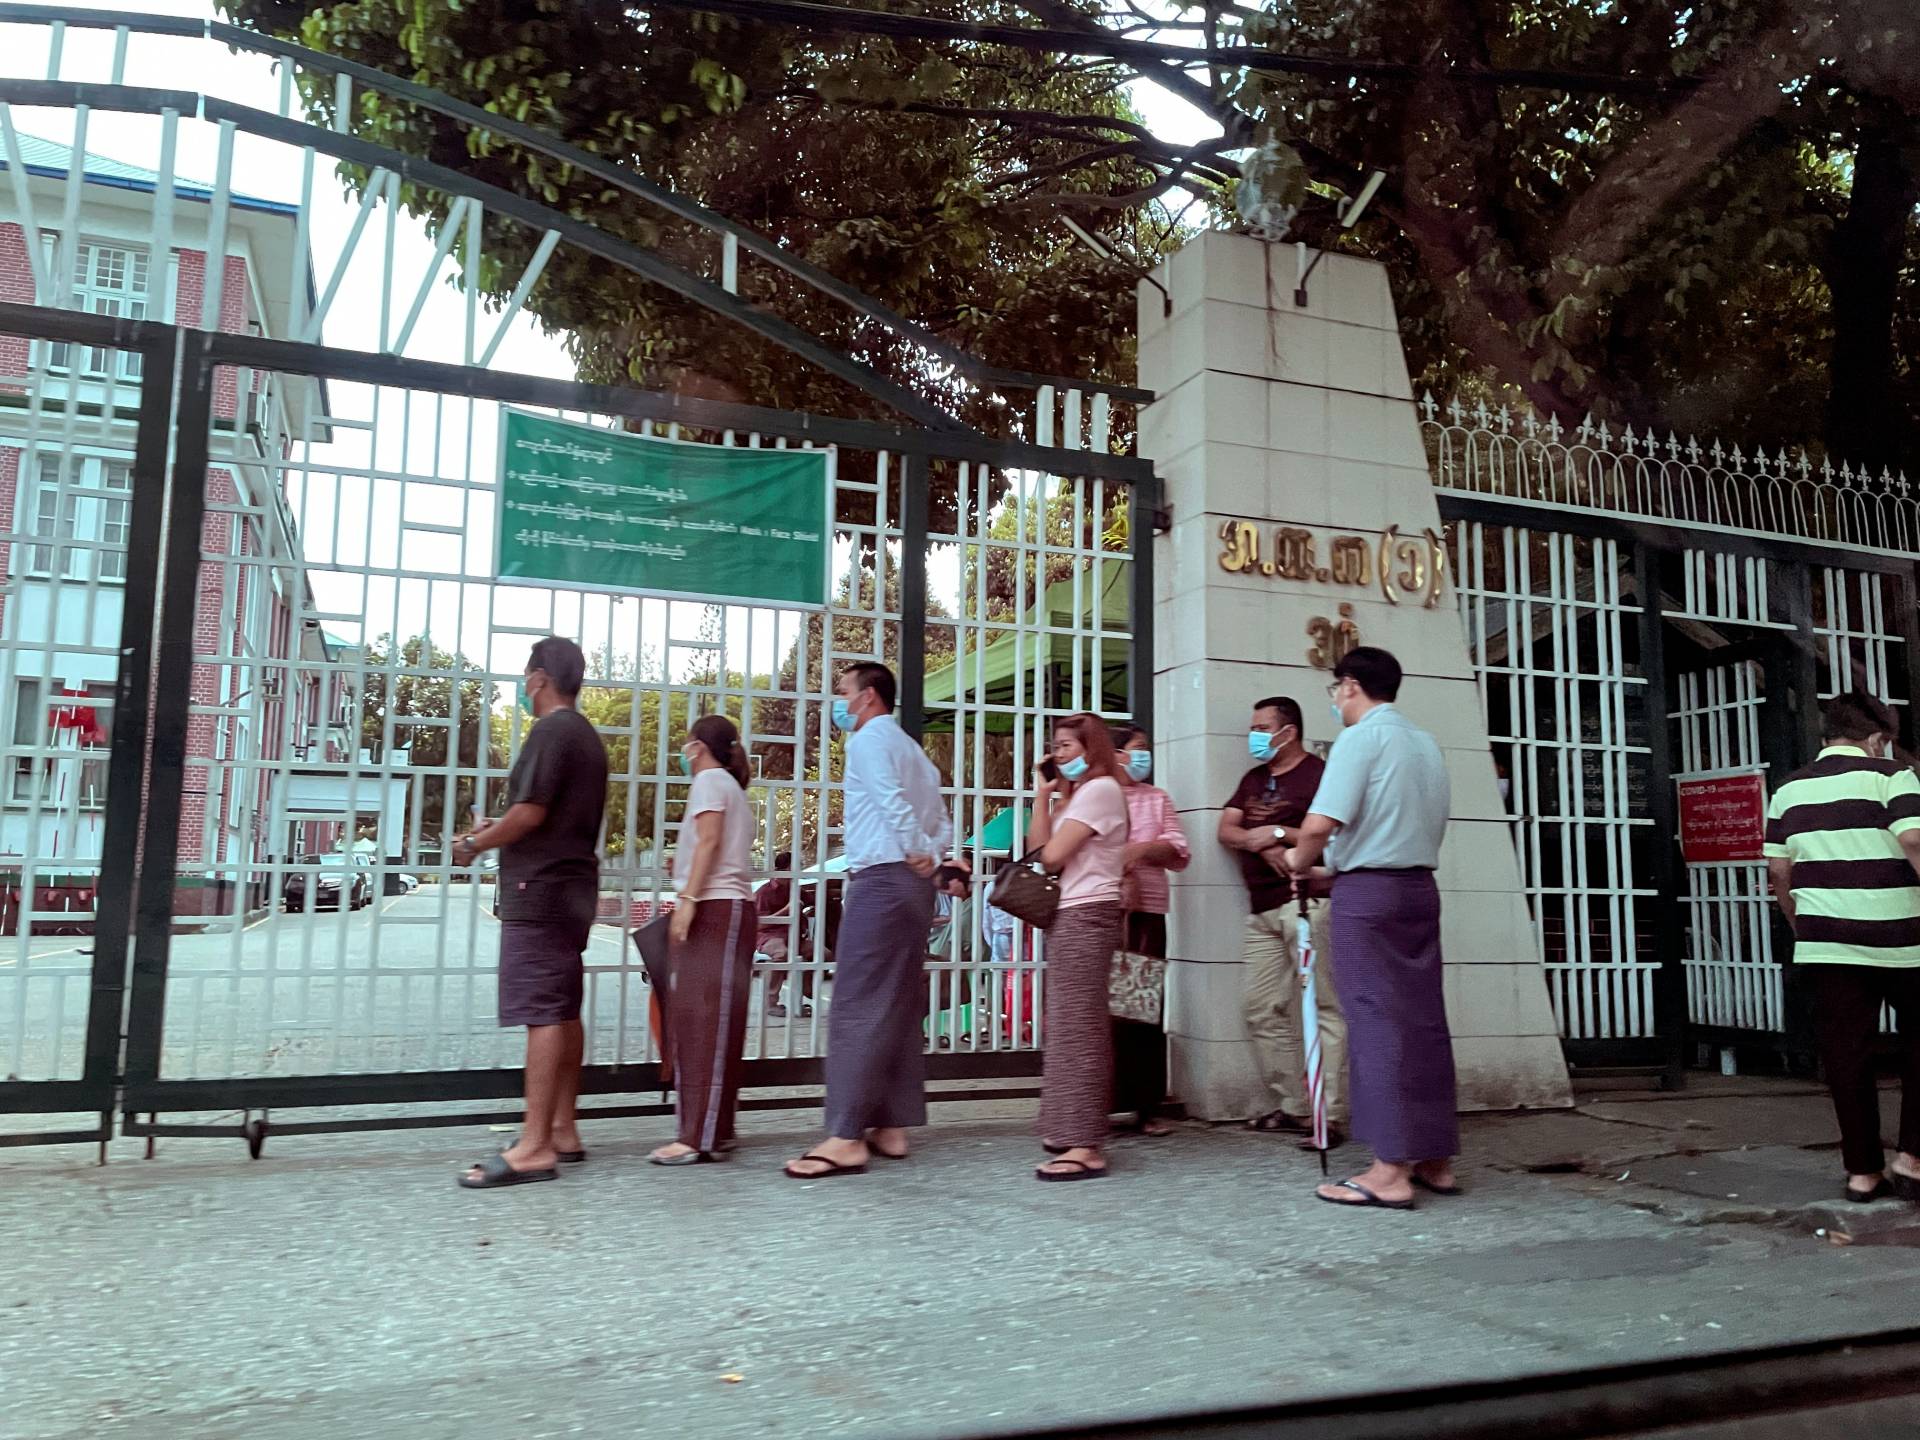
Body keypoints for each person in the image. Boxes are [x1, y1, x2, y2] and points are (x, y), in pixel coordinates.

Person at [1284, 647, 1456, 1210]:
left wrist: (1297, 860)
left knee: (1375, 1021)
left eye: (1335, 688)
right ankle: (1433, 1154)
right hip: (1418, 886)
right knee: (1423, 1022)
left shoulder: (1360, 739)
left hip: (1369, 894)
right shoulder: (1425, 743)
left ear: (1350, 685)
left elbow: (1321, 822)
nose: (1335, 699)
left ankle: (1389, 1168)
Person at [785, 663, 966, 1179]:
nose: (837, 701)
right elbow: (940, 816)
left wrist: (917, 853)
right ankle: (891, 1124)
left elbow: (890, 802)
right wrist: (933, 859)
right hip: (910, 887)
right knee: (897, 1003)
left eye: (842, 691)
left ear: (867, 697)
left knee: (858, 1002)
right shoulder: (911, 749)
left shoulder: (867, 741)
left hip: (882, 879)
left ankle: (845, 1136)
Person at [455, 637, 608, 1189]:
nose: (523, 687)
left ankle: (535, 1145)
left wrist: (475, 843)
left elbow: (530, 812)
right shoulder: (586, 738)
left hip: (538, 888)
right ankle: (562, 1129)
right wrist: (496, 829)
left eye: (526, 677)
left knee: (542, 1012)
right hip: (571, 890)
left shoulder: (551, 731)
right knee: (563, 1009)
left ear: (540, 677)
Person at [1765, 690, 1920, 1204]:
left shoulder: (1789, 789)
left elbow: (1779, 871)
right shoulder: (1892, 776)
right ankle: (1912, 1159)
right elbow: (1913, 838)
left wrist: (1802, 925)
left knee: (1846, 1056)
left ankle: (1862, 1173)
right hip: (1903, 939)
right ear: (1876, 739)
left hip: (1826, 942)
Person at [1218, 696, 1348, 1146]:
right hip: (1262, 910)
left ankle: (1329, 1114)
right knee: (1259, 1008)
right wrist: (1262, 843)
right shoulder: (1253, 779)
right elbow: (1226, 830)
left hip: (1307, 902)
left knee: (1325, 1005)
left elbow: (1334, 835)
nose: (1253, 736)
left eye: (1261, 728)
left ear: (1288, 732)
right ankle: (1295, 1106)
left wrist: (1278, 834)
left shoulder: (1319, 775)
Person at [1027, 714, 1131, 1180]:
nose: (1059, 753)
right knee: (1069, 1024)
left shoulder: (1101, 790)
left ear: (1092, 747)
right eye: (1056, 745)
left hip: (1088, 912)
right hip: (1071, 913)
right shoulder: (1078, 796)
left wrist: (1057, 808)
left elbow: (1051, 858)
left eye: (1068, 745)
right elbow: (1039, 850)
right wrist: (1043, 796)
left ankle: (1085, 1143)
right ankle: (1066, 1128)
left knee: (1081, 1027)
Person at [653, 714, 759, 1166]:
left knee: (703, 1024)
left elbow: (710, 841)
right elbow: (710, 844)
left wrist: (689, 899)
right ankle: (716, 1129)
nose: (683, 753)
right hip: (726, 908)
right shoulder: (728, 786)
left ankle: (698, 1137)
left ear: (698, 747)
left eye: (687, 744)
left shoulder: (710, 781)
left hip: (716, 908)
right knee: (716, 1023)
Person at [1113, 724, 1190, 1136]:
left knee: (1142, 1007)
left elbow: (1178, 851)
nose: (1144, 756)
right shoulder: (1094, 794)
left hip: (1146, 914)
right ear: (1115, 754)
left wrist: (1141, 850)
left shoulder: (1156, 798)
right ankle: (1098, 1104)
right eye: (1137, 748)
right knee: (1102, 1013)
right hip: (1101, 911)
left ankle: (1146, 1107)